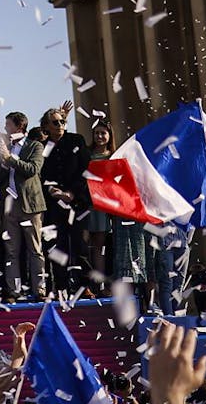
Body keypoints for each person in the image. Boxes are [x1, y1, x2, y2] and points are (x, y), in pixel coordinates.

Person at [0, 110, 47, 302]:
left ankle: (40, 289)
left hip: (30, 205)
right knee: (11, 251)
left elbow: (33, 169)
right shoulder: (6, 148)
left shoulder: (35, 146)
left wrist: (10, 159)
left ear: (19, 126)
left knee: (35, 249)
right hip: (9, 207)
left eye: (8, 124)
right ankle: (14, 291)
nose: (6, 128)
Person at [38, 107, 93, 297]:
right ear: (46, 126)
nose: (60, 125)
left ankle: (84, 285)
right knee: (57, 246)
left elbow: (86, 169)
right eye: (55, 122)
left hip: (78, 203)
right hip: (54, 204)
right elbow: (41, 174)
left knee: (80, 245)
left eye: (62, 121)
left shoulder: (76, 140)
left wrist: (71, 192)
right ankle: (61, 287)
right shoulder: (43, 147)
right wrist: (51, 190)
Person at [87, 120, 115, 295]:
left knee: (103, 244)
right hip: (89, 204)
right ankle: (94, 282)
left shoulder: (114, 156)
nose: (99, 136)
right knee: (90, 245)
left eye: (103, 133)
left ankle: (104, 282)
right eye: (96, 133)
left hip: (107, 205)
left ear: (109, 135)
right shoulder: (87, 155)